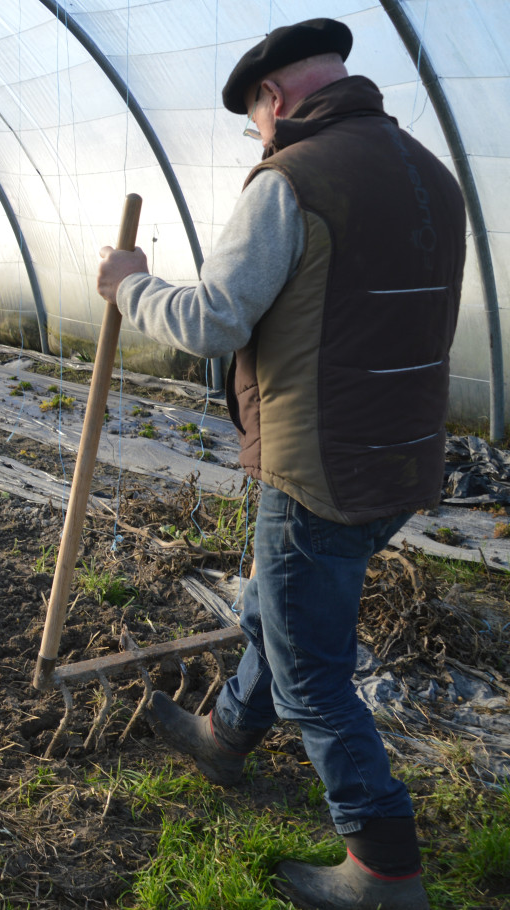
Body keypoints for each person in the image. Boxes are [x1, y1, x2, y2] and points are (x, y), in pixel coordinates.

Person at [95, 18, 465, 910]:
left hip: (319, 466)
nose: (257, 135)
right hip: (404, 462)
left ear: (272, 98)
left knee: (313, 675)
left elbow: (214, 323)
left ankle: (383, 868)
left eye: (254, 118)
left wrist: (128, 284)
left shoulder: (292, 180)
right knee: (277, 602)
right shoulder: (433, 174)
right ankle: (226, 737)